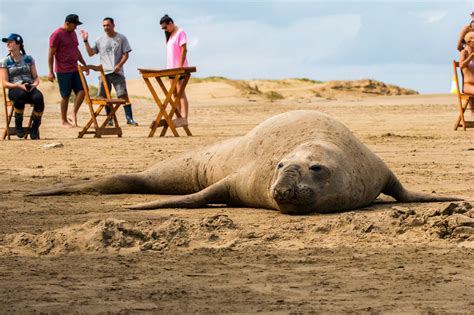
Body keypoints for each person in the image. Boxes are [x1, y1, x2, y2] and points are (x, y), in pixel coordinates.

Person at [81, 17, 138, 126]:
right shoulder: (99, 40)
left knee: (123, 96)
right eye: (104, 25)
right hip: (104, 73)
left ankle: (129, 119)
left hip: (118, 73)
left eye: (108, 25)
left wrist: (119, 65)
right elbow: (91, 53)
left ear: (113, 25)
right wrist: (85, 41)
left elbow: (126, 55)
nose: (106, 27)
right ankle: (110, 118)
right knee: (105, 97)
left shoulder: (121, 38)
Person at [0, 33, 44, 139]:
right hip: (15, 88)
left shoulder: (29, 59)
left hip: (29, 86)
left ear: (18, 44)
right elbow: (4, 83)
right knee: (20, 96)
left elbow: (36, 77)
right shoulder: (4, 61)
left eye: (11, 42)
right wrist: (19, 86)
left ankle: (34, 127)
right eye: (7, 42)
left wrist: (34, 85)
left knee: (39, 98)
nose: (8, 44)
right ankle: (18, 125)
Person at [48, 14, 88, 127]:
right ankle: (63, 120)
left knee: (83, 89)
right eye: (75, 24)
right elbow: (51, 54)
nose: (76, 27)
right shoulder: (56, 34)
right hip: (63, 70)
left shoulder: (73, 33)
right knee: (65, 96)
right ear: (67, 23)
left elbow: (76, 50)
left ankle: (73, 113)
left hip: (75, 68)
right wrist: (50, 72)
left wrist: (84, 64)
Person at [160, 14, 189, 128]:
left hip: (179, 68)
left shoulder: (180, 32)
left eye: (165, 27)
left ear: (170, 23)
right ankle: (177, 117)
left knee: (181, 93)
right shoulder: (170, 35)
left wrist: (180, 67)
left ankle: (184, 118)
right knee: (174, 94)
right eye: (162, 28)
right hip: (171, 69)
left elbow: (184, 50)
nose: (164, 30)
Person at [459, 32, 474, 119]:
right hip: (467, 85)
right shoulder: (464, 52)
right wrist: (470, 57)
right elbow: (461, 65)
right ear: (468, 42)